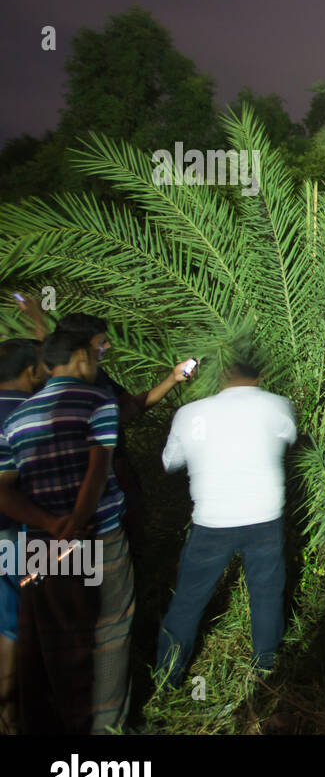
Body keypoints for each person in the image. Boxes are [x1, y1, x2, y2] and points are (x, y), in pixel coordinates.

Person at [0, 330, 136, 734]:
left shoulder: (19, 416)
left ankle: (70, 724)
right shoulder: (98, 401)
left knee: (62, 637)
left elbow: (3, 490)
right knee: (110, 629)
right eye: (95, 354)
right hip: (100, 534)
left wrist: (50, 524)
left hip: (44, 542)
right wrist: (77, 520)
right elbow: (98, 467)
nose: (97, 361)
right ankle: (108, 727)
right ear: (79, 357)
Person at [155, 352, 298, 690]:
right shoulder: (277, 405)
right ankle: (265, 668)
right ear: (258, 376)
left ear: (220, 378)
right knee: (266, 593)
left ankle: (168, 676)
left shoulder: (190, 413)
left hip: (211, 520)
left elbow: (169, 461)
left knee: (189, 598)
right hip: (264, 516)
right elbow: (289, 438)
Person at [53, 313, 195, 548]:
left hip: (117, 478)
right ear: (79, 349)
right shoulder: (52, 394)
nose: (107, 347)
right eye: (101, 342)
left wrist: (172, 378)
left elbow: (131, 408)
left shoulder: (99, 377)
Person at [0, 338, 53, 734]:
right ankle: (13, 719)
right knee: (15, 623)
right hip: (15, 531)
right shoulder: (30, 413)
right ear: (32, 372)